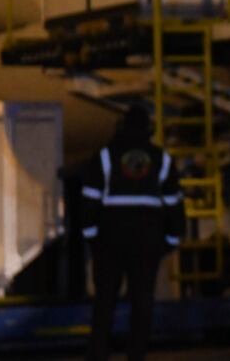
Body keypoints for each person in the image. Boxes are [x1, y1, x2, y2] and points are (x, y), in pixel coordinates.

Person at [80, 106, 184, 361]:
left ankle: (98, 354)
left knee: (104, 302)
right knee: (142, 302)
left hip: (110, 239)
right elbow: (174, 203)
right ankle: (136, 356)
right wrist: (170, 240)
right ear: (149, 129)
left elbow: (89, 201)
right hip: (147, 240)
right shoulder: (162, 159)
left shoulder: (105, 156)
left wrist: (93, 238)